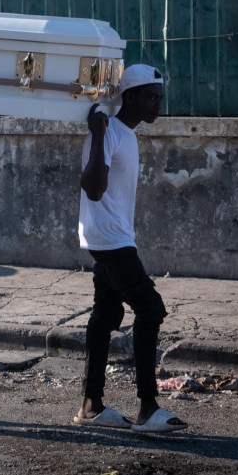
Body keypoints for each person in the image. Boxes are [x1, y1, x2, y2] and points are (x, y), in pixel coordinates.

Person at [73, 63, 187, 433]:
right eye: (151, 98)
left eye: (160, 98)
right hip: (109, 239)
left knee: (105, 317)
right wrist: (96, 134)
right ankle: (148, 407)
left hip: (112, 235)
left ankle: (91, 405)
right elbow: (92, 188)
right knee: (150, 309)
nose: (157, 105)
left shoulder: (125, 134)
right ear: (131, 96)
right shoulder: (106, 132)